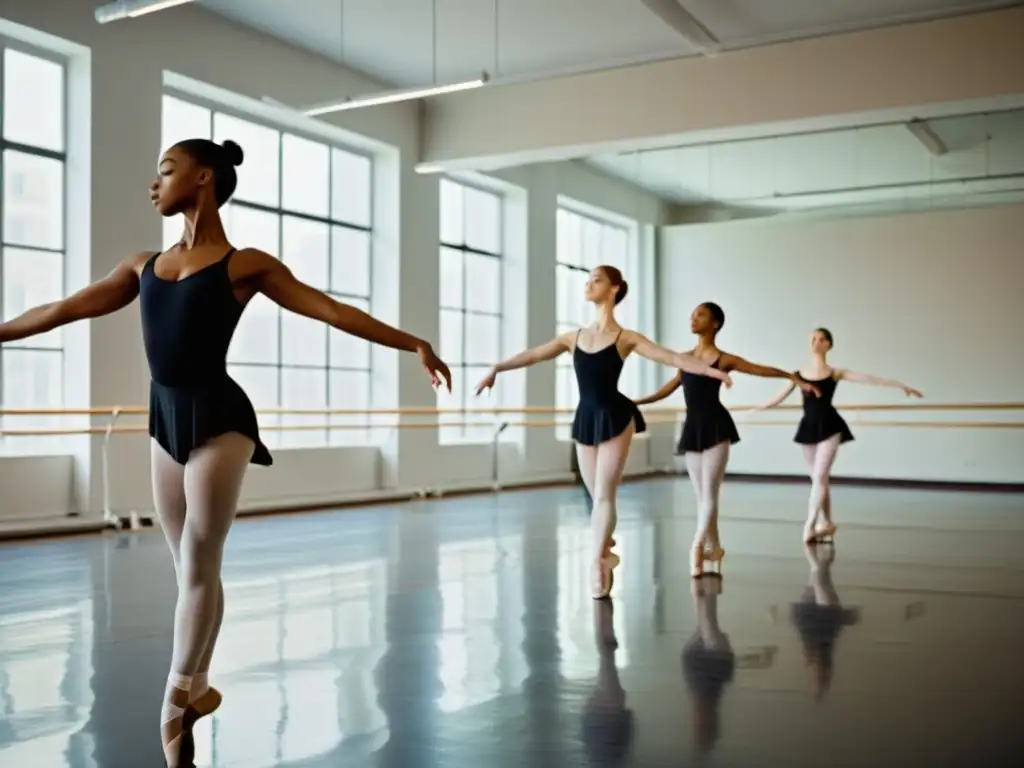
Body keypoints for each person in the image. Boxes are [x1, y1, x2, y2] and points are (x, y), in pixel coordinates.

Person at [0, 138, 451, 768]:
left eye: (165, 171)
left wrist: (415, 344)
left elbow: (333, 311)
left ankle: (176, 698)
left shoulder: (246, 266)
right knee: (189, 569)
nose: (154, 184)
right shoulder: (141, 266)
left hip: (220, 418)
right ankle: (201, 683)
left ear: (203, 178)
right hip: (162, 421)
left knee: (200, 557)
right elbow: (61, 309)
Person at [474, 266, 732, 599]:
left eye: (596, 279)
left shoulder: (627, 338)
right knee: (594, 495)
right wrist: (497, 367)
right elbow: (535, 354)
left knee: (603, 494)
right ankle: (606, 555)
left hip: (616, 416)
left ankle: (595, 564)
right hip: (586, 417)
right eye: (588, 280)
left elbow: (672, 358)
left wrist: (715, 373)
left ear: (614, 289)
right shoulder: (573, 337)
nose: (588, 284)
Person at [634, 302, 820, 578]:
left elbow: (758, 369)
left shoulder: (724, 359)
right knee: (703, 496)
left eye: (700, 315)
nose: (693, 318)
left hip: (717, 427)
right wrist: (636, 401)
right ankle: (716, 547)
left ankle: (697, 546)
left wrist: (791, 377)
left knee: (709, 492)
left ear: (715, 324)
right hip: (692, 428)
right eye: (692, 314)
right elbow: (668, 389)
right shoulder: (684, 358)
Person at [751, 326, 922, 543]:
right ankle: (827, 522)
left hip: (830, 426)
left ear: (828, 345)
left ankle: (810, 525)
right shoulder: (798, 375)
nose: (815, 341)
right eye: (813, 338)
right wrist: (754, 409)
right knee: (817, 480)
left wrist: (900, 385)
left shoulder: (835, 373)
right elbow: (777, 397)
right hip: (808, 428)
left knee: (820, 477)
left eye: (820, 339)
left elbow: (869, 378)